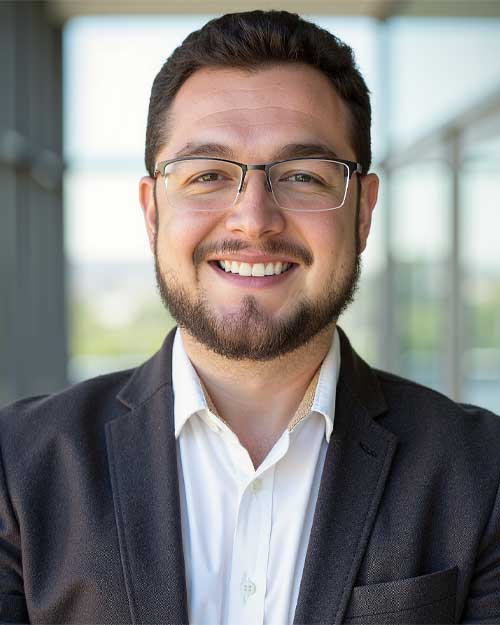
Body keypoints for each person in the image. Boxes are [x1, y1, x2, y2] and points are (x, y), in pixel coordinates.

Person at [0, 10, 499, 625]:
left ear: (364, 212)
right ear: (152, 212)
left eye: (304, 176)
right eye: (208, 175)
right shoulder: (17, 468)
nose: (254, 220)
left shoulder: (482, 473)